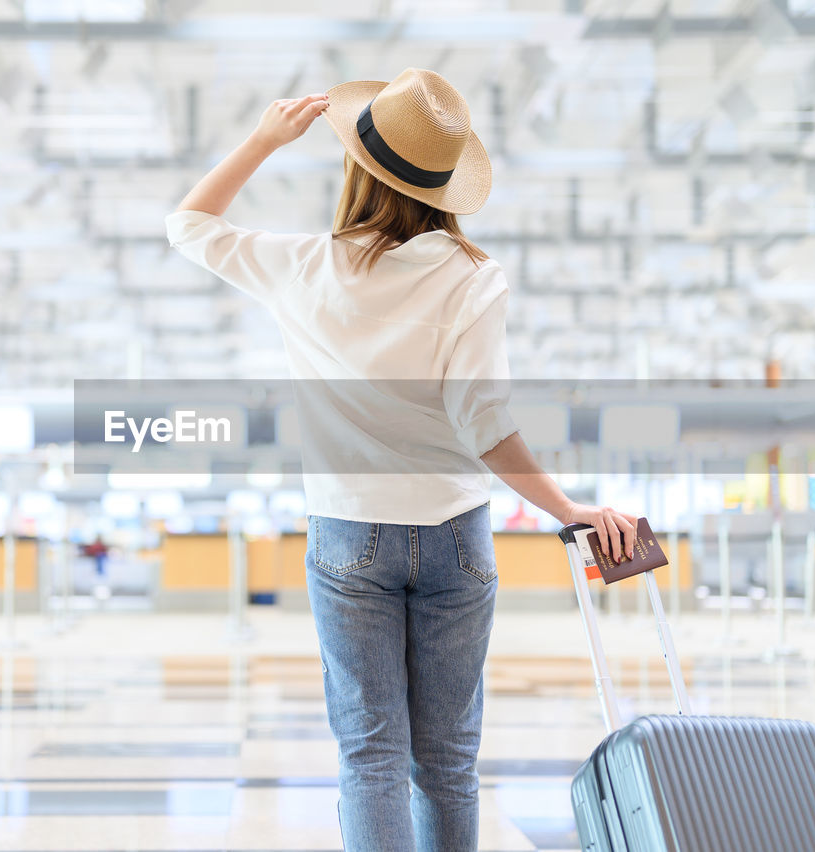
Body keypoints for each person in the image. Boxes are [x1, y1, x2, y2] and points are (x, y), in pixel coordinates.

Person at [166, 68, 637, 852]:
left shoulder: (307, 267)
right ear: (446, 184)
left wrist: (263, 139)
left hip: (348, 537)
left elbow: (188, 225)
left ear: (358, 167)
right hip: (457, 534)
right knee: (448, 761)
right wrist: (571, 510)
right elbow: (484, 423)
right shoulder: (473, 278)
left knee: (371, 754)